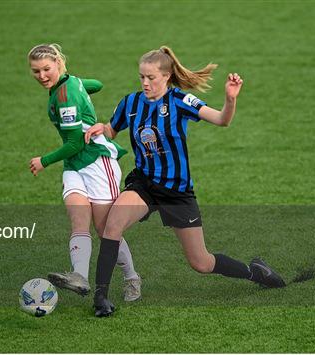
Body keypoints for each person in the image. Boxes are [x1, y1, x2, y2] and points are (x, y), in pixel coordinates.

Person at [85, 46, 286, 317]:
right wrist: (103, 128)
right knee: (112, 225)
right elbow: (113, 128)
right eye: (141, 77)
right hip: (144, 184)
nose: (145, 83)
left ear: (166, 77)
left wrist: (230, 99)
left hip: (177, 192)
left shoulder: (180, 100)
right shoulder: (130, 103)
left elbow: (222, 120)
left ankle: (255, 273)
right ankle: (101, 298)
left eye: (151, 78)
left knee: (201, 263)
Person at [27, 43, 142, 301]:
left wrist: (43, 161)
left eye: (47, 69)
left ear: (58, 63)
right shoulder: (70, 84)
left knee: (105, 230)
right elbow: (98, 84)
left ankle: (132, 278)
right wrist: (81, 87)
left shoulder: (66, 96)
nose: (42, 76)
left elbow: (75, 143)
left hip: (96, 162)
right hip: (74, 166)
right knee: (79, 221)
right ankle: (80, 276)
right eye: (36, 71)